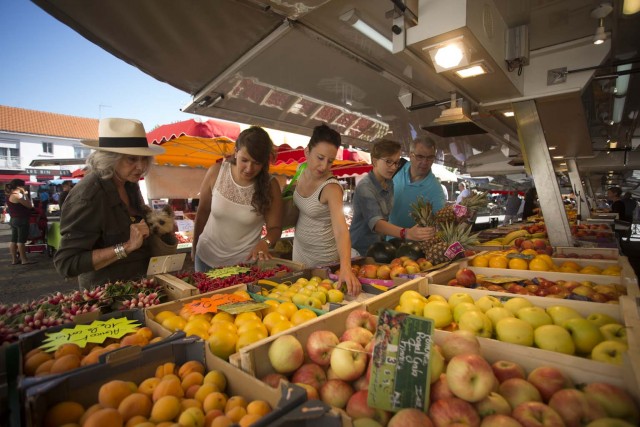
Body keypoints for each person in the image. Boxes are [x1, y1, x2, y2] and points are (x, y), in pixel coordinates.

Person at [54, 118, 164, 289]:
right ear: (109, 158)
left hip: (139, 288)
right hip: (108, 297)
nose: (141, 166)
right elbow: (67, 264)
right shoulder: (89, 196)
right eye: (132, 159)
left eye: (144, 159)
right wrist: (126, 247)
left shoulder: (129, 183)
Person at [192, 126, 283, 272]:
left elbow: (275, 228)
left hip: (243, 267)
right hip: (204, 259)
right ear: (235, 152)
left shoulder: (270, 186)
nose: (249, 168)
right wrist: (194, 246)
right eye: (244, 160)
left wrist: (265, 242)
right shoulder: (216, 172)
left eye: (257, 163)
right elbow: (202, 213)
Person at [292, 123, 360, 296]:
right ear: (307, 152)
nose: (324, 166)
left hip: (324, 261)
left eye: (330, 161)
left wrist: (345, 267)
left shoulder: (331, 188)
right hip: (299, 254)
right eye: (320, 158)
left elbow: (340, 230)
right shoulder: (300, 171)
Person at [350, 139, 436, 256]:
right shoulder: (365, 187)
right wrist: (406, 233)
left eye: (396, 163)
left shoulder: (389, 183)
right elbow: (376, 223)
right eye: (388, 161)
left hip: (379, 248)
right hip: (359, 251)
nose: (393, 167)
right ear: (375, 161)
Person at [389, 137, 446, 229]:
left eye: (430, 158)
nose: (425, 162)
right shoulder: (397, 167)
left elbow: (440, 223)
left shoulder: (436, 189)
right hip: (387, 237)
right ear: (411, 155)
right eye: (420, 157)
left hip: (413, 242)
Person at [5, 179, 35, 265]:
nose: (25, 187)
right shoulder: (18, 195)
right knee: (21, 240)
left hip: (13, 219)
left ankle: (14, 260)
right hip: (22, 219)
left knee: (13, 240)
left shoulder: (10, 195)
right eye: (24, 185)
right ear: (19, 186)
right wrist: (25, 195)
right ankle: (24, 260)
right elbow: (29, 205)